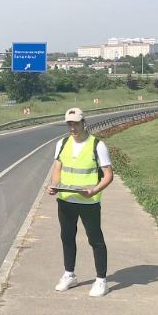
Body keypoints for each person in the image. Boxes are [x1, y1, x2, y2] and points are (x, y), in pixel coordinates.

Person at [47, 107, 114, 297]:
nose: (72, 128)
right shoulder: (62, 143)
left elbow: (108, 175)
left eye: (76, 123)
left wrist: (94, 191)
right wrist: (54, 185)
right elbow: (57, 168)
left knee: (95, 240)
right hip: (66, 200)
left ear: (84, 123)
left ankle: (101, 280)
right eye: (69, 124)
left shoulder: (97, 145)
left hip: (88, 202)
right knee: (67, 237)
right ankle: (69, 274)